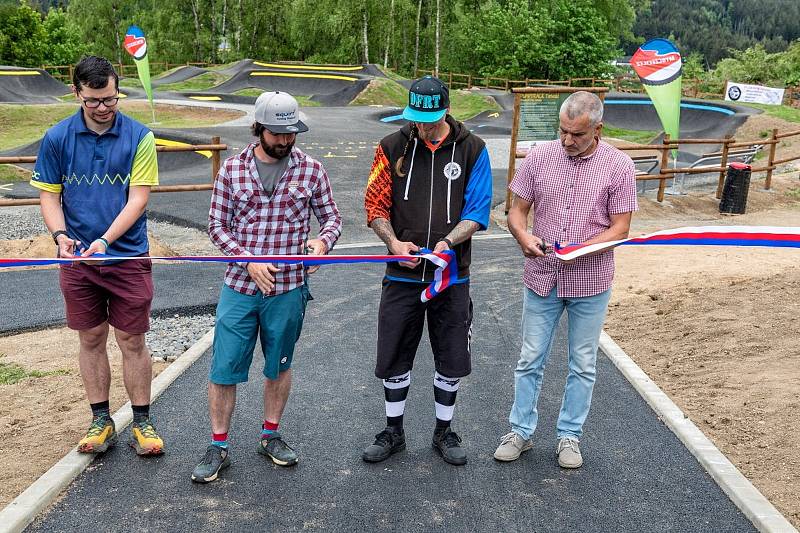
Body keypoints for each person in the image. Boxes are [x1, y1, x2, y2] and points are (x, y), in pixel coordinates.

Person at [192, 91, 342, 483]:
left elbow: (332, 219)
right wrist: (248, 258)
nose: (285, 140)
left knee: (279, 365)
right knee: (224, 368)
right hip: (239, 287)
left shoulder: (311, 170)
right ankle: (219, 445)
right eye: (277, 133)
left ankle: (270, 435)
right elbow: (216, 227)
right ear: (258, 128)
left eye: (291, 133)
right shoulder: (231, 170)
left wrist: (322, 242)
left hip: (290, 288)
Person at [493, 91, 638, 468]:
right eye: (563, 131)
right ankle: (520, 431)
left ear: (598, 129)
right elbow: (517, 212)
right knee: (530, 358)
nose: (567, 141)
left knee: (583, 363)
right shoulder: (540, 156)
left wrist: (582, 248)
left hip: (591, 281)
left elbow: (621, 227)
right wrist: (523, 237)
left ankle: (569, 436)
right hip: (542, 276)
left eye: (577, 134)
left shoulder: (619, 166)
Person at [30, 56, 162, 456]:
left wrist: (104, 240)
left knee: (132, 339)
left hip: (126, 257)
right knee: (90, 338)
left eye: (111, 98)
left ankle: (142, 421)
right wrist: (61, 236)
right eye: (94, 101)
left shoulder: (140, 136)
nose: (104, 107)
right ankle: (100, 420)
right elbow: (49, 195)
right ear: (77, 94)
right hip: (77, 262)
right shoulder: (56, 138)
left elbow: (138, 199)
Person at [362, 76, 492, 466]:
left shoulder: (473, 150)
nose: (423, 126)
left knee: (451, 357)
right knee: (394, 355)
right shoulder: (390, 147)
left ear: (446, 110)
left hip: (451, 277)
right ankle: (393, 431)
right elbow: (375, 204)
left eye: (430, 119)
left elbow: (478, 210)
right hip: (401, 275)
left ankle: (443, 431)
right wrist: (392, 243)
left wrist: (447, 244)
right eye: (417, 118)